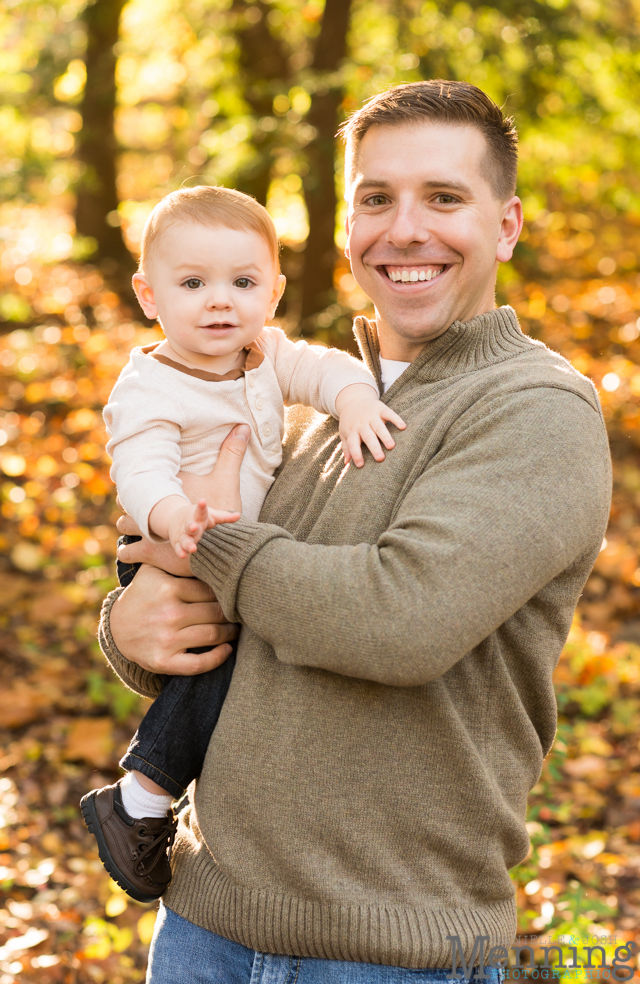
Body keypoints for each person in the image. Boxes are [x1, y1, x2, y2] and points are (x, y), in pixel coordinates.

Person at [98, 81, 612, 982]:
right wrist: (133, 625)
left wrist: (209, 548)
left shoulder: (534, 409)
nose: (403, 229)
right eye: (375, 198)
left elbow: (396, 620)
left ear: (506, 225)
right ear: (344, 224)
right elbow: (235, 627)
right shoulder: (298, 403)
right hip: (204, 924)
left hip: (387, 950)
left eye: (444, 198)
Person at [80, 185, 405, 904]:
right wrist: (174, 518)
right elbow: (137, 468)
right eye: (192, 284)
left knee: (230, 670)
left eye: (243, 282)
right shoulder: (149, 388)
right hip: (178, 542)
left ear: (273, 291)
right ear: (149, 295)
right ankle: (139, 800)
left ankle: (141, 799)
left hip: (231, 550)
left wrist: (353, 400)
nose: (220, 301)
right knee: (215, 669)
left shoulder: (262, 355)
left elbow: (323, 370)